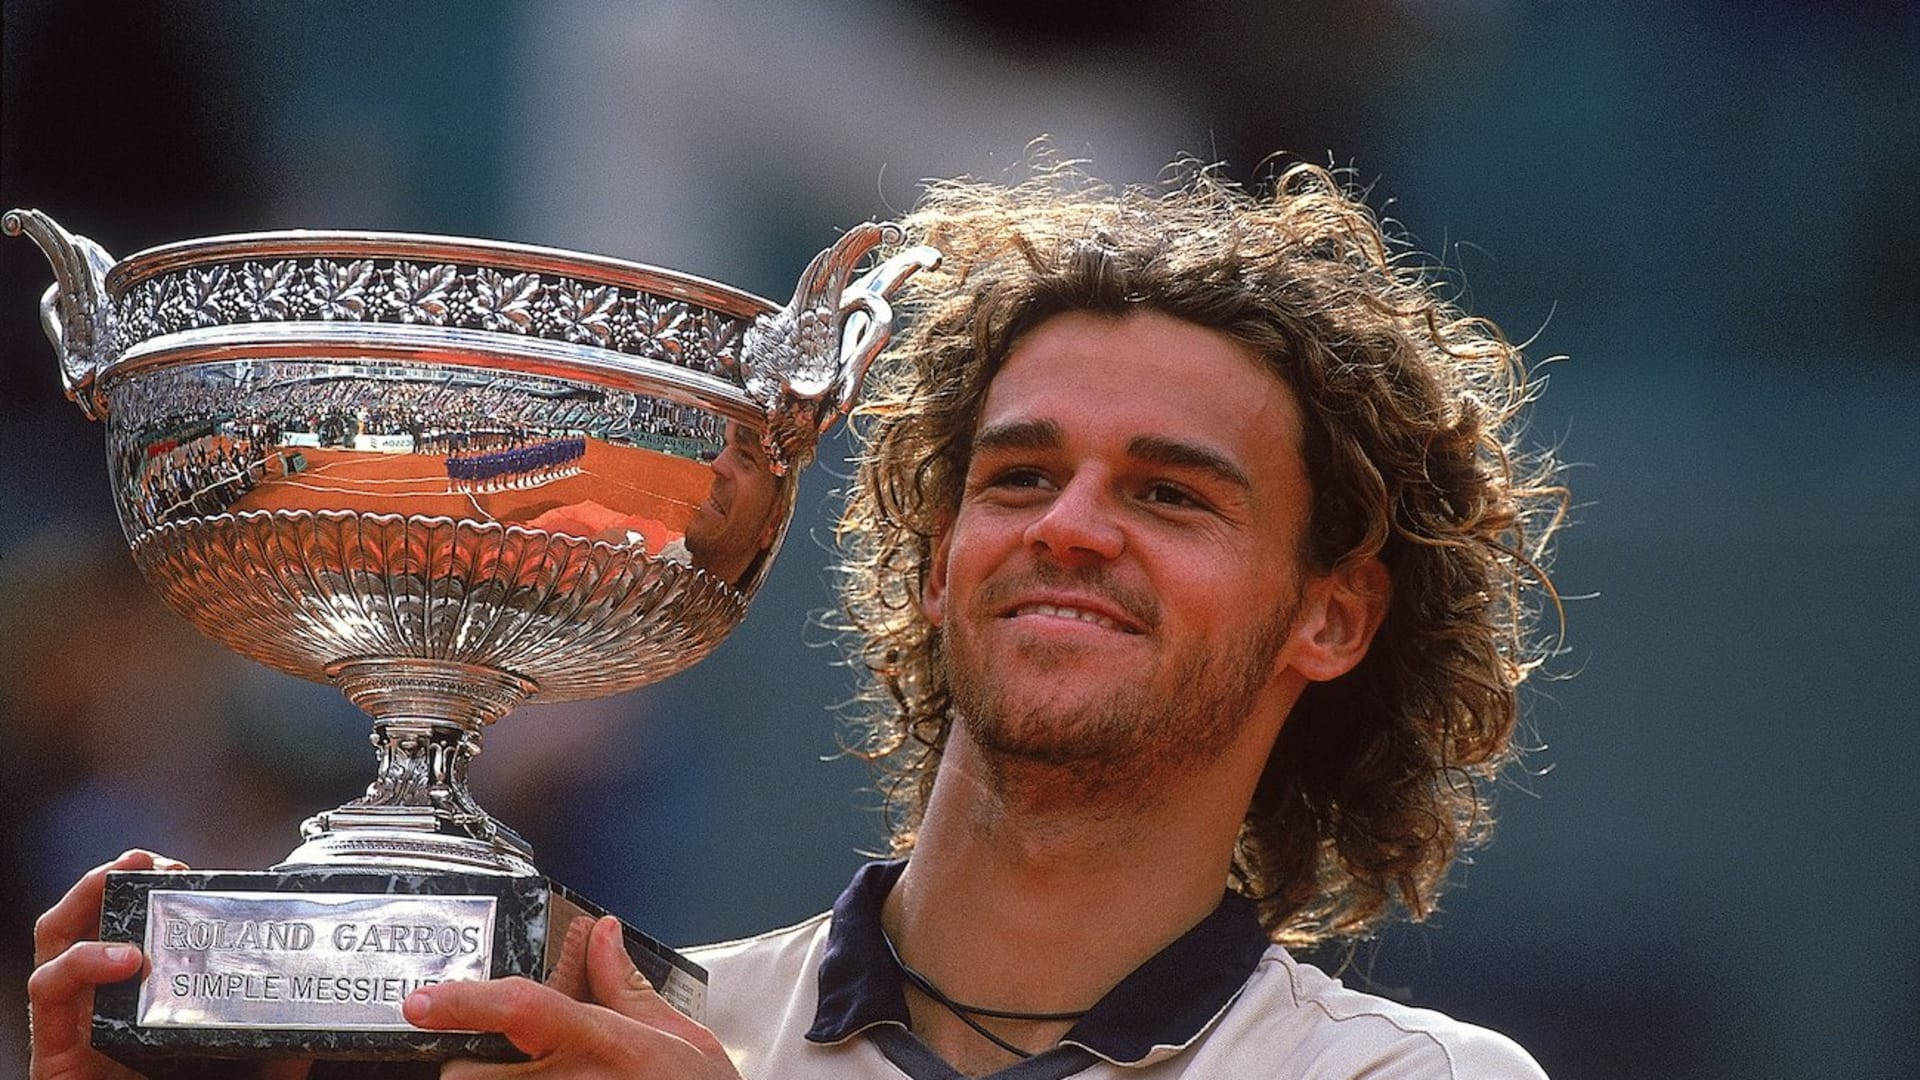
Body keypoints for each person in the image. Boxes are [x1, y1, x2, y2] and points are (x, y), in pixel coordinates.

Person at [29, 159, 1564, 1079]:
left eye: (1172, 496)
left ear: (1335, 617)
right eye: (1019, 473)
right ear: (937, 552)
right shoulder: (595, 1024)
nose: (1071, 524)